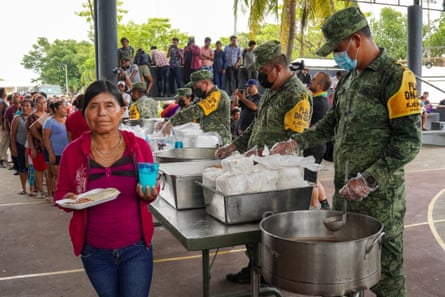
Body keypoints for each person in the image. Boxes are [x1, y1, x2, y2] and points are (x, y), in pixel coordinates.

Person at [270, 7, 422, 297]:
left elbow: (408, 141)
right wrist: (296, 142)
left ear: (355, 39)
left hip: (381, 202)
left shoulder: (395, 77)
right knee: (347, 272)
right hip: (346, 198)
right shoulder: (349, 79)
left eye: (338, 48)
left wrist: (369, 179)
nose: (336, 56)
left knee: (387, 278)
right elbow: (332, 122)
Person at [215, 40, 312, 284]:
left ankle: (272, 275)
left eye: (263, 71)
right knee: (252, 223)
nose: (260, 77)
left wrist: (264, 154)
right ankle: (256, 266)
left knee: (273, 228)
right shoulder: (271, 91)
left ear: (278, 68)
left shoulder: (297, 94)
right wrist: (234, 146)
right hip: (258, 172)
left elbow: (295, 143)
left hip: (279, 175)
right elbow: (256, 127)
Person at [53, 80, 158, 297]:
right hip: (94, 251)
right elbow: (60, 194)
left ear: (121, 111)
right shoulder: (73, 153)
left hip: (136, 248)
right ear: (84, 114)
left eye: (109, 105)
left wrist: (149, 194)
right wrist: (70, 199)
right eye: (93, 106)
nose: (101, 112)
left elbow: (150, 191)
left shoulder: (139, 148)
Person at [159, 70, 232, 145]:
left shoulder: (218, 95)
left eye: (196, 86)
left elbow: (195, 111)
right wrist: (167, 121)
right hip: (207, 141)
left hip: (221, 142)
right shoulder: (202, 98)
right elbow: (188, 110)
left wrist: (172, 122)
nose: (194, 89)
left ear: (206, 83)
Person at [304, 72, 331, 209]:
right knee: (313, 177)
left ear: (319, 85)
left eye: (314, 80)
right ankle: (324, 204)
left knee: (309, 181)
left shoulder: (316, 103)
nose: (311, 81)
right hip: (319, 146)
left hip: (313, 147)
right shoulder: (323, 100)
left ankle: (313, 208)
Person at [43, 100, 69, 200]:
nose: (65, 109)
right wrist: (50, 153)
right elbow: (46, 139)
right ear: (55, 109)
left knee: (63, 175)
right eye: (62, 107)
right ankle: (54, 195)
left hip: (65, 152)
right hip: (55, 152)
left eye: (65, 107)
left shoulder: (68, 119)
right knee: (55, 174)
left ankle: (62, 193)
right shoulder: (49, 122)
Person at [26, 94, 48, 199]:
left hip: (48, 147)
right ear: (35, 104)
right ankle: (40, 190)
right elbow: (29, 134)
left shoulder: (48, 115)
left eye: (44, 102)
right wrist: (32, 148)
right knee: (39, 170)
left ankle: (47, 189)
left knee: (47, 170)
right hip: (37, 146)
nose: (42, 104)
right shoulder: (32, 117)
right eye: (40, 102)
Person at [10, 98, 33, 194]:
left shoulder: (33, 118)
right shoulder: (17, 118)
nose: (25, 108)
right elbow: (12, 133)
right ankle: (23, 187)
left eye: (27, 106)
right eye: (23, 106)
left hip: (32, 146)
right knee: (22, 167)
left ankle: (32, 188)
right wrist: (13, 147)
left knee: (31, 167)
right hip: (20, 145)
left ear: (31, 107)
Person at [0, 87, 9, 168]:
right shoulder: (2, 102)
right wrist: (3, 124)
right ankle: (1, 159)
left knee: (5, 142)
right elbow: (0, 114)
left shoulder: (3, 101)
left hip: (4, 125)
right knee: (3, 142)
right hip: (3, 125)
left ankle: (4, 158)